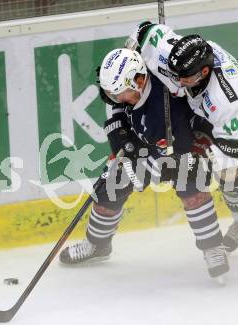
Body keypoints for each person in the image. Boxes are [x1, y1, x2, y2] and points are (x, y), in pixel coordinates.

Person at [126, 22, 238, 286]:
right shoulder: (174, 56)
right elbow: (146, 31)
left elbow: (233, 150)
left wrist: (183, 163)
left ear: (204, 71)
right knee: (234, 185)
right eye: (174, 74)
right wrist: (134, 50)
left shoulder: (223, 100)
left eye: (183, 77)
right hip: (224, 117)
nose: (177, 80)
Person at [59, 48, 229, 283]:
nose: (118, 99)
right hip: (148, 138)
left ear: (140, 80)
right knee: (110, 187)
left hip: (183, 143)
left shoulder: (165, 113)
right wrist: (120, 132)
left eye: (121, 94)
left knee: (191, 183)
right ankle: (97, 246)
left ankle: (213, 248)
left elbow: (162, 163)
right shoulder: (135, 76)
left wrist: (131, 163)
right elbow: (115, 104)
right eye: (113, 94)